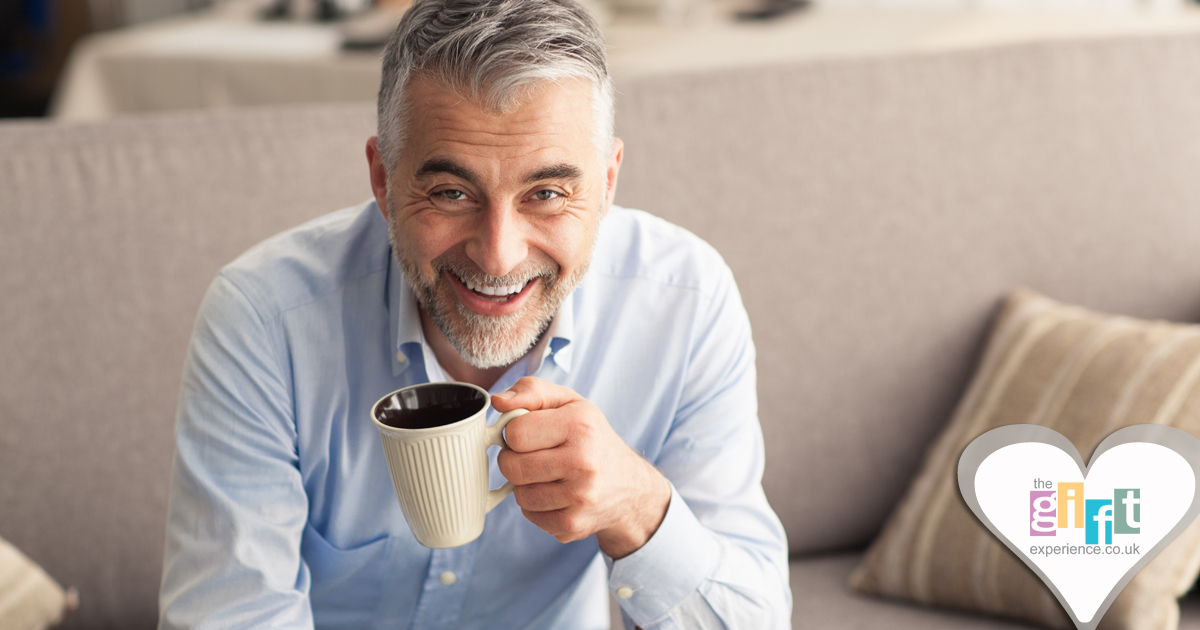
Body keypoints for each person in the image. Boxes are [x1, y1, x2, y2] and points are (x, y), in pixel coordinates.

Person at [157, 0, 791, 627]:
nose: (498, 254)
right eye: (452, 193)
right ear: (382, 182)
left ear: (606, 185)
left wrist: (638, 508)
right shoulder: (265, 322)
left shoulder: (686, 305)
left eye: (546, 194)